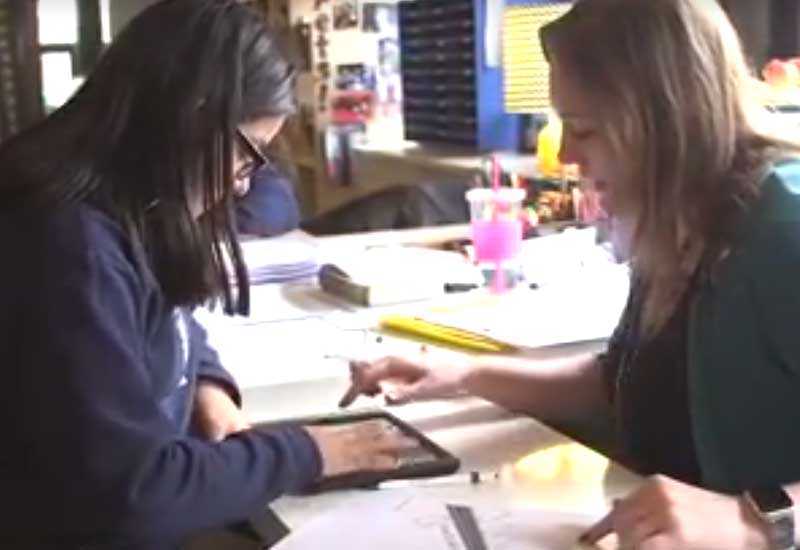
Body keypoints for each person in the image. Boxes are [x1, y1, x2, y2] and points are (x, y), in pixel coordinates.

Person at [340, 1, 800, 548]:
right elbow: (625, 386)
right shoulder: (677, 215)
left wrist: (756, 521)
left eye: (582, 127)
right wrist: (465, 375)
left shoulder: (783, 226)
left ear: (665, 119)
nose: (565, 151)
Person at [0, 1, 412, 548]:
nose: (243, 185)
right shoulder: (67, 245)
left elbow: (166, 321)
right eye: (248, 154)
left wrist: (206, 385)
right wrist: (310, 452)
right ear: (192, 116)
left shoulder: (131, 207)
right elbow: (130, 494)